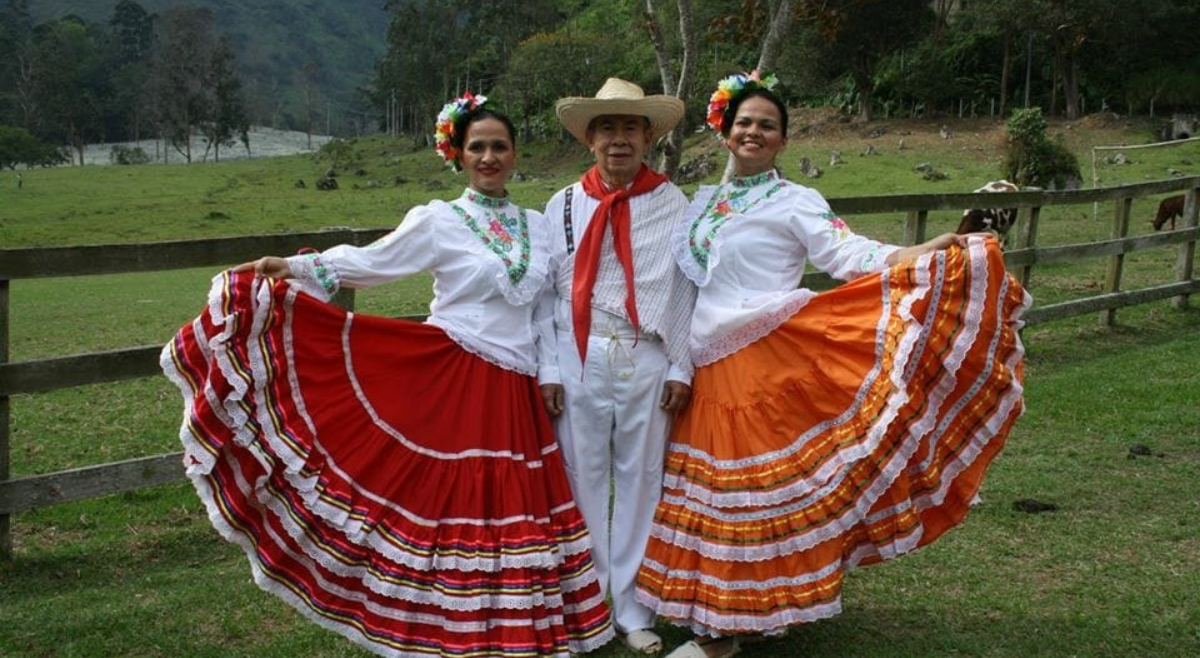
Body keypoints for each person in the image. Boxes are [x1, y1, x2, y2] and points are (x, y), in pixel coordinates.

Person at [160, 94, 614, 658]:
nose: (489, 157)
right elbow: (373, 262)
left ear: (515, 154)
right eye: (477, 147)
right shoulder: (440, 220)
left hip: (515, 389)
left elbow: (544, 307)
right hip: (453, 375)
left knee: (509, 510)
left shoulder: (538, 225)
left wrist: (547, 371)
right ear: (458, 155)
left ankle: (509, 629)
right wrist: (295, 267)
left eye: (499, 146)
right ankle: (449, 627)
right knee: (450, 506)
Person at [633, 72, 1030, 658]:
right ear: (725, 131)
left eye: (768, 125)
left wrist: (912, 253)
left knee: (756, 493)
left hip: (768, 356)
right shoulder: (703, 203)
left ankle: (720, 637)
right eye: (745, 122)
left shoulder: (795, 200)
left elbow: (845, 251)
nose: (754, 132)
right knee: (724, 496)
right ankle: (740, 610)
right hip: (710, 363)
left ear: (782, 140)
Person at [536, 78, 698, 655]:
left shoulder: (673, 203)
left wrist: (681, 365)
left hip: (645, 351)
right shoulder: (562, 205)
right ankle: (585, 606)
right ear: (590, 139)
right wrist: (548, 368)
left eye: (631, 126)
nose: (619, 139)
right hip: (577, 352)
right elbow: (547, 293)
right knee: (581, 477)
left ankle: (631, 608)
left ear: (648, 137)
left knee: (641, 478)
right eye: (607, 127)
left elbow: (684, 289)